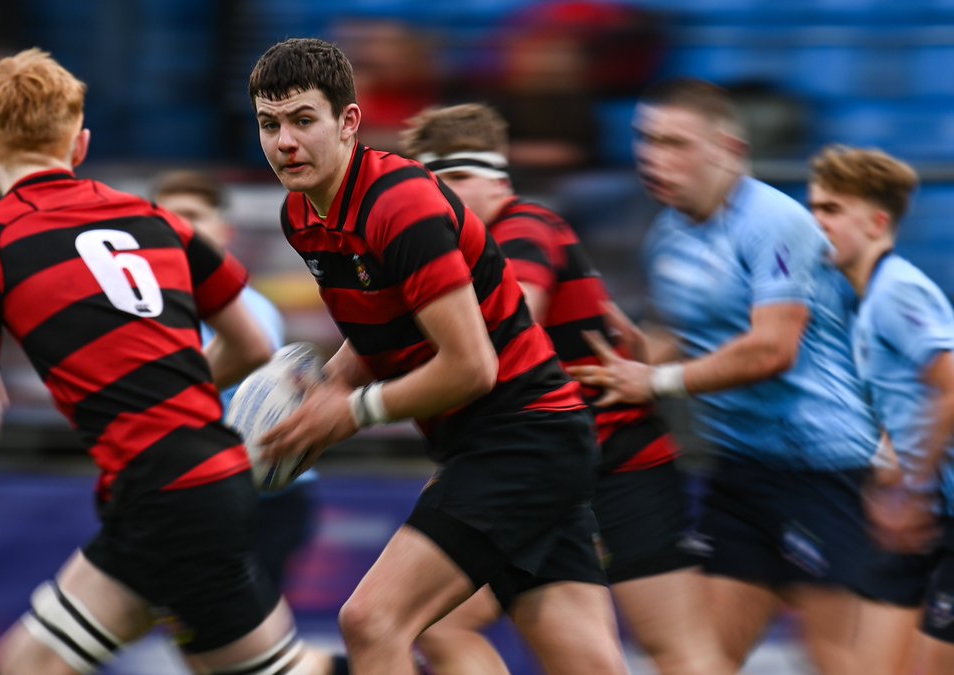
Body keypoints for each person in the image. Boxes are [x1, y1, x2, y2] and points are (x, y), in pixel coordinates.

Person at [0, 48, 340, 675]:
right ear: (80, 145)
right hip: (211, 479)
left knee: (30, 665)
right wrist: (167, 392)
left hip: (162, 493)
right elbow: (254, 346)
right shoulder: (155, 220)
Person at [248, 38, 629, 675]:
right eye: (269, 124)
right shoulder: (302, 215)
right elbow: (377, 334)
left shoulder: (401, 204)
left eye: (303, 120)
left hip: (521, 440)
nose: (285, 142)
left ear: (348, 123)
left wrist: (350, 415)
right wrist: (324, 393)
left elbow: (470, 366)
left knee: (372, 622)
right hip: (523, 442)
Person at [399, 102, 732, 675]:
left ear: (499, 178)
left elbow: (510, 322)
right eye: (431, 184)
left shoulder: (524, 225)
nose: (442, 197)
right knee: (438, 626)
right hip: (539, 468)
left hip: (622, 464)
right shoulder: (472, 251)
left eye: (457, 179)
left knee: (675, 648)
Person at [570, 78, 877, 674]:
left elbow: (772, 349)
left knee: (841, 660)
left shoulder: (776, 222)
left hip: (825, 471)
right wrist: (614, 360)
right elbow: (673, 337)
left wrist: (656, 383)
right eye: (644, 140)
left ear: (729, 150)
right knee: (704, 657)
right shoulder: (667, 237)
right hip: (740, 471)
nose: (653, 157)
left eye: (674, 143)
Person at [808, 145, 954, 675]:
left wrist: (911, 489)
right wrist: (890, 463)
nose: (816, 222)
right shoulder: (870, 301)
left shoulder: (896, 292)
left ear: (878, 221)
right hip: (925, 521)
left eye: (832, 210)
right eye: (813, 208)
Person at [152, 169, 318, 594]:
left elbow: (253, 361)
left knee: (247, 649)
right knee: (219, 650)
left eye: (191, 214)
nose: (179, 227)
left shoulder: (248, 312)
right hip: (193, 498)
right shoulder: (148, 311)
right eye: (164, 218)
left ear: (224, 231)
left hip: (260, 502)